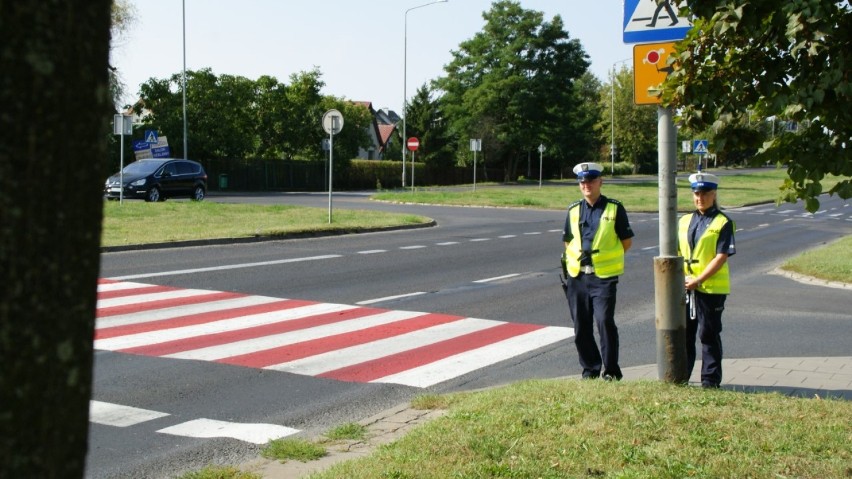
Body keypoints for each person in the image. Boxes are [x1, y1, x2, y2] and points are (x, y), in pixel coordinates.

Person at [561, 162, 634, 381]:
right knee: (581, 326)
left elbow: (626, 241)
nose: (587, 185)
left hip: (603, 277)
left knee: (604, 321)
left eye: (591, 181)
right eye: (583, 182)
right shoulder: (573, 210)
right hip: (578, 276)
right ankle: (590, 369)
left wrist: (605, 259)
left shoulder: (614, 208)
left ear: (600, 182)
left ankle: (611, 370)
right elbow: (568, 241)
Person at [678, 172, 736, 389]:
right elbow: (676, 252)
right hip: (687, 287)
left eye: (704, 194)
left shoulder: (723, 222)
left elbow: (721, 257)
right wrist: (684, 279)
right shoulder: (684, 221)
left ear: (714, 194)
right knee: (685, 334)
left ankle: (710, 381)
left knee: (708, 334)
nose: (699, 198)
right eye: (696, 193)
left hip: (711, 288)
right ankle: (682, 376)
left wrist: (699, 279)